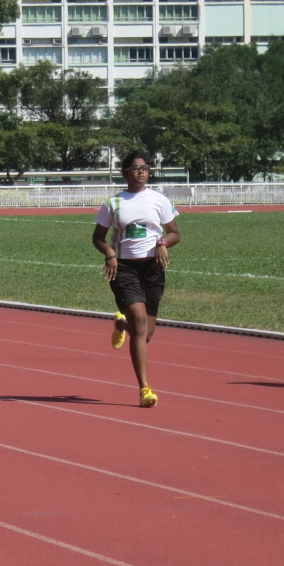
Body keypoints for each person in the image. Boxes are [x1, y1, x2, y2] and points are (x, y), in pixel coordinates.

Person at [91, 151, 181, 409]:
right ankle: (144, 389)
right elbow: (98, 237)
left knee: (145, 334)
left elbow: (175, 233)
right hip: (125, 268)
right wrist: (109, 254)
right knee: (140, 324)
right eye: (136, 167)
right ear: (126, 172)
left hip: (153, 268)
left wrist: (162, 243)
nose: (141, 171)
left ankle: (121, 323)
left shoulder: (159, 200)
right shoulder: (113, 203)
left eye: (145, 168)